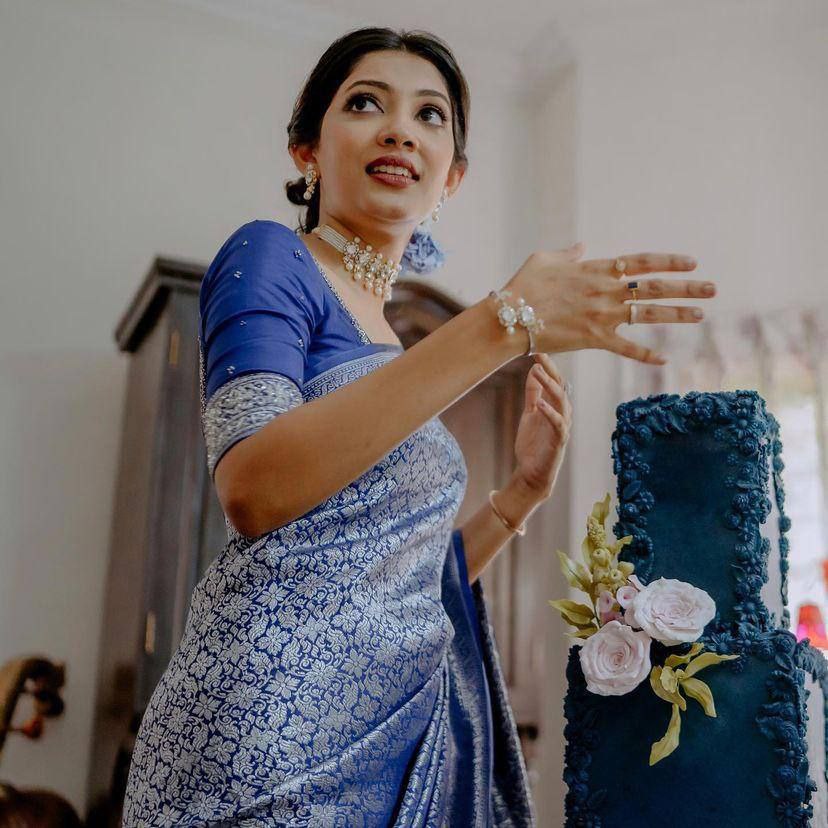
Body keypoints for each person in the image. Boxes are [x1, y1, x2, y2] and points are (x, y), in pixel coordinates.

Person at [122, 26, 716, 826]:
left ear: (452, 178)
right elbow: (256, 487)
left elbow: (399, 579)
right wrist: (500, 324)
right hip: (276, 723)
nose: (400, 127)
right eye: (365, 103)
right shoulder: (270, 257)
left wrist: (523, 494)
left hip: (392, 728)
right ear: (306, 148)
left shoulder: (388, 337)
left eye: (430, 115)